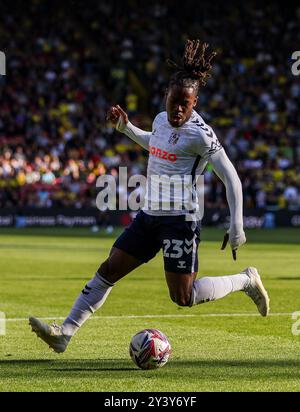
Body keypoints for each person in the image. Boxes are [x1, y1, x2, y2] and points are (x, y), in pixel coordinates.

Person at [29, 40, 270, 353]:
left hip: (180, 221)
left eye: (186, 103)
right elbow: (154, 142)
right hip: (149, 215)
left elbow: (231, 176)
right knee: (109, 269)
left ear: (195, 102)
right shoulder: (159, 119)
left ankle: (246, 280)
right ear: (165, 96)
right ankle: (65, 333)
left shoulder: (201, 134)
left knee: (183, 297)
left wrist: (237, 225)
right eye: (174, 101)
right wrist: (126, 127)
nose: (178, 109)